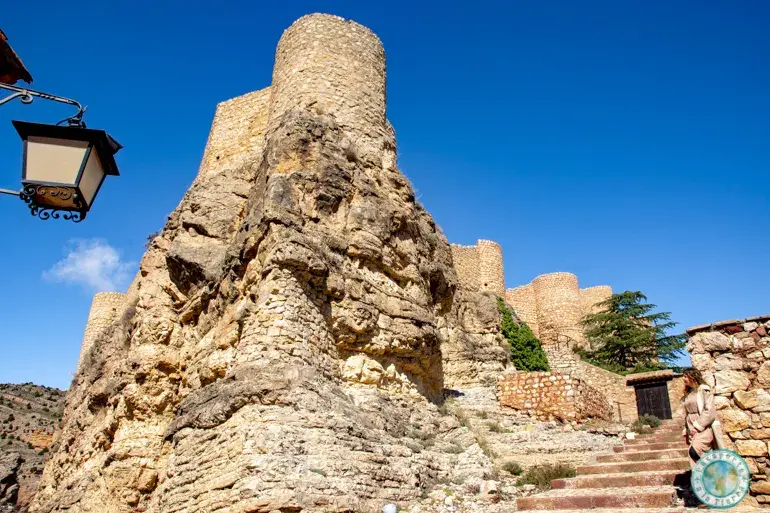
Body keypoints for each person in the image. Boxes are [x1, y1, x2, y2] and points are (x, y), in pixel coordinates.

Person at [681, 369, 722, 468]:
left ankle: (711, 471)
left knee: (695, 450)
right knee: (692, 454)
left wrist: (698, 426)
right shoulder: (688, 394)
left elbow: (709, 410)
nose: (683, 378)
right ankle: (702, 478)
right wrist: (686, 430)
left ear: (693, 377)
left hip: (704, 426)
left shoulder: (703, 390)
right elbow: (686, 414)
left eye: (685, 376)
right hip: (691, 426)